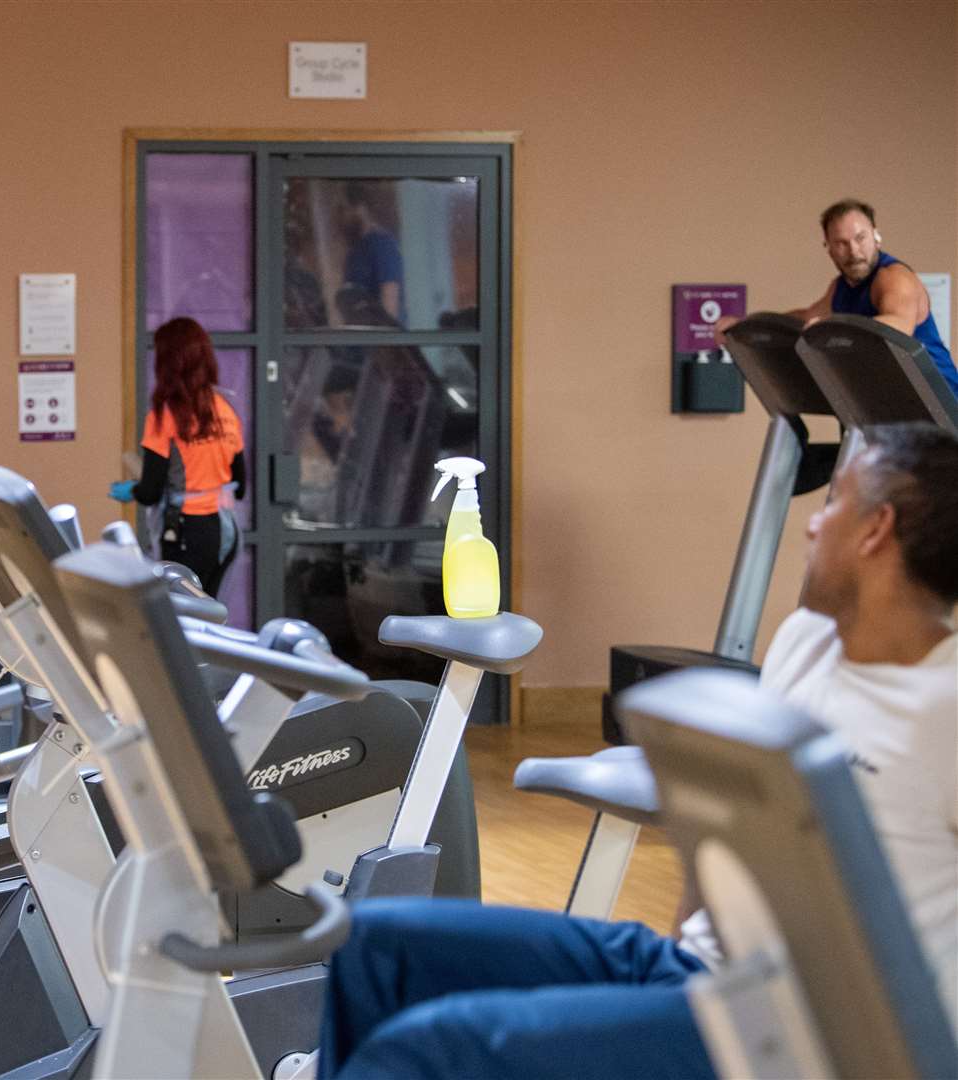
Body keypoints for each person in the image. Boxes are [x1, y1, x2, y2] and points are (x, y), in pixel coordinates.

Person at [318, 421, 958, 1078]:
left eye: (834, 504)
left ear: (875, 531)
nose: (813, 525)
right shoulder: (806, 640)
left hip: (810, 1034)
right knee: (373, 944)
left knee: (437, 1046)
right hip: (697, 972)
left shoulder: (947, 705)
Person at [716, 198, 957, 396]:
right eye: (841, 243)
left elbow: (899, 325)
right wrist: (742, 325)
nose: (853, 251)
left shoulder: (893, 278)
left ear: (876, 236)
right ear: (828, 247)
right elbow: (807, 318)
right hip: (894, 403)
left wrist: (833, 328)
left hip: (940, 405)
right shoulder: (841, 287)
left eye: (860, 238)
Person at [109, 317, 246, 597]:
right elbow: (240, 483)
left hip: (184, 533)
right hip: (225, 531)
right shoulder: (224, 409)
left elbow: (149, 491)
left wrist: (130, 490)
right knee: (212, 614)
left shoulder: (164, 418)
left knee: (183, 622)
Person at [337, 182, 405, 326]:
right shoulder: (354, 252)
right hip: (359, 340)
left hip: (380, 342)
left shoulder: (382, 244)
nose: (341, 217)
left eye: (345, 210)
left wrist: (382, 342)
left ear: (360, 208)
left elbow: (390, 302)